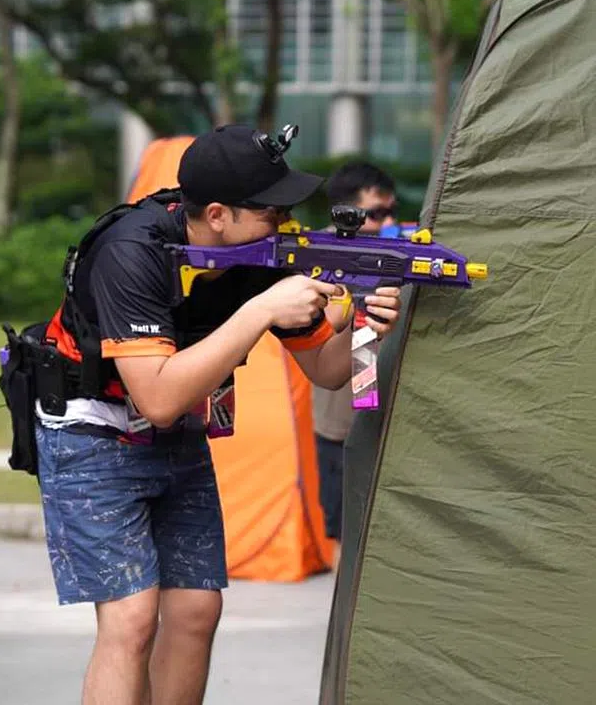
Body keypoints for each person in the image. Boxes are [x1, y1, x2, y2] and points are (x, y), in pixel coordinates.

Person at [27, 125, 401, 705]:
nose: (284, 220)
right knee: (130, 619)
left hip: (175, 434)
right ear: (219, 215)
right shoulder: (132, 252)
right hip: (92, 430)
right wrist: (259, 311)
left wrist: (363, 323)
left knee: (197, 608)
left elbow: (328, 372)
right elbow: (157, 396)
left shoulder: (265, 253)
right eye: (271, 209)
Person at [310, 162, 398, 565]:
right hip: (339, 423)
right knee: (347, 535)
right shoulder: (318, 257)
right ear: (347, 213)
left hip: (383, 420)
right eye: (376, 214)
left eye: (389, 212)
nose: (388, 222)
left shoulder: (391, 253)